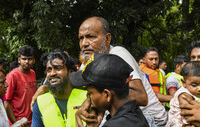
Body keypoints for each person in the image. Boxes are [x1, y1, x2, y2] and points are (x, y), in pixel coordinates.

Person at [32, 16, 167, 126]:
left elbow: (141, 97)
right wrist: (45, 88)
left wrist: (90, 104)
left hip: (152, 120)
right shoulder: (90, 63)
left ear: (107, 39)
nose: (84, 43)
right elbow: (70, 81)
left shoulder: (117, 54)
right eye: (81, 38)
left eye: (90, 37)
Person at [73, 53, 148, 127]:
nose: (88, 98)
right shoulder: (134, 114)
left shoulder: (115, 124)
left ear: (107, 95)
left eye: (90, 93)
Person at [31, 51, 86, 127]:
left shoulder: (87, 98)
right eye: (49, 70)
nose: (52, 73)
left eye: (58, 68)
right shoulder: (40, 103)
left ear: (70, 72)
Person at [4, 45, 37, 126]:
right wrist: (16, 123)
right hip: (18, 122)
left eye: (29, 59)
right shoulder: (12, 76)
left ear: (34, 60)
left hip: (31, 121)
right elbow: (6, 102)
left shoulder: (33, 73)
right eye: (24, 59)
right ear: (19, 60)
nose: (26, 62)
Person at [167, 61, 200, 127]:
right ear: (184, 83)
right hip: (180, 122)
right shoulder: (184, 94)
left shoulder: (194, 91)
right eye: (194, 85)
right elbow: (187, 113)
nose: (199, 88)